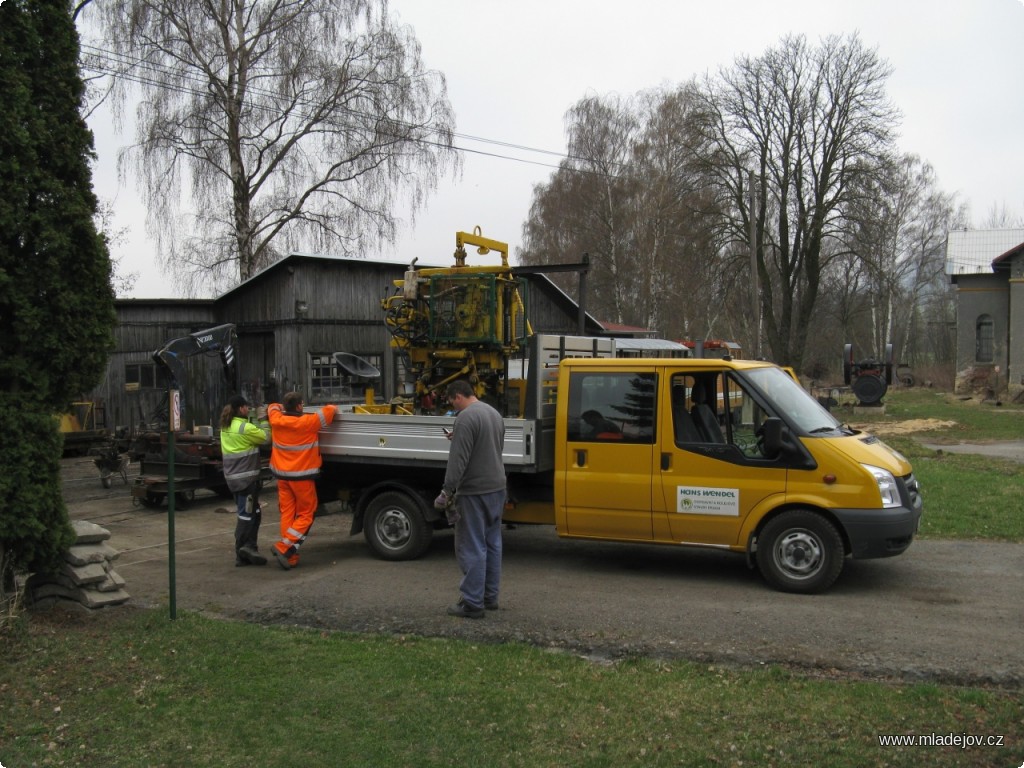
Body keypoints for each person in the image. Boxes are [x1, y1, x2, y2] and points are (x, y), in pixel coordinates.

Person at [434, 379, 506, 619]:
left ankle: (472, 604)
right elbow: (493, 447)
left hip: (474, 492)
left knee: (472, 545)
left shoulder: (465, 418)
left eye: (451, 402)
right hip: (497, 488)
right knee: (492, 543)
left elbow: (458, 461)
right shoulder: (493, 413)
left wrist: (447, 491)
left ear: (457, 397)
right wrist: (462, 436)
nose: (453, 407)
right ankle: (489, 597)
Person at [267, 392, 337, 570]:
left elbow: (272, 407)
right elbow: (330, 410)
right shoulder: (307, 423)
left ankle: (291, 557)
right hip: (302, 478)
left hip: (282, 477)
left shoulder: (276, 420)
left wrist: (280, 407)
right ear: (299, 407)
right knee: (306, 514)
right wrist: (332, 405)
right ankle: (284, 547)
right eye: (302, 404)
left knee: (287, 514)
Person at [220, 395, 269, 566]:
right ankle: (241, 552)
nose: (248, 409)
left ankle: (250, 549)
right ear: (241, 409)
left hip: (233, 480)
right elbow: (266, 438)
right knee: (246, 515)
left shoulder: (226, 426)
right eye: (247, 407)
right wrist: (263, 419)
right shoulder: (245, 428)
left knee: (254, 512)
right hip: (246, 481)